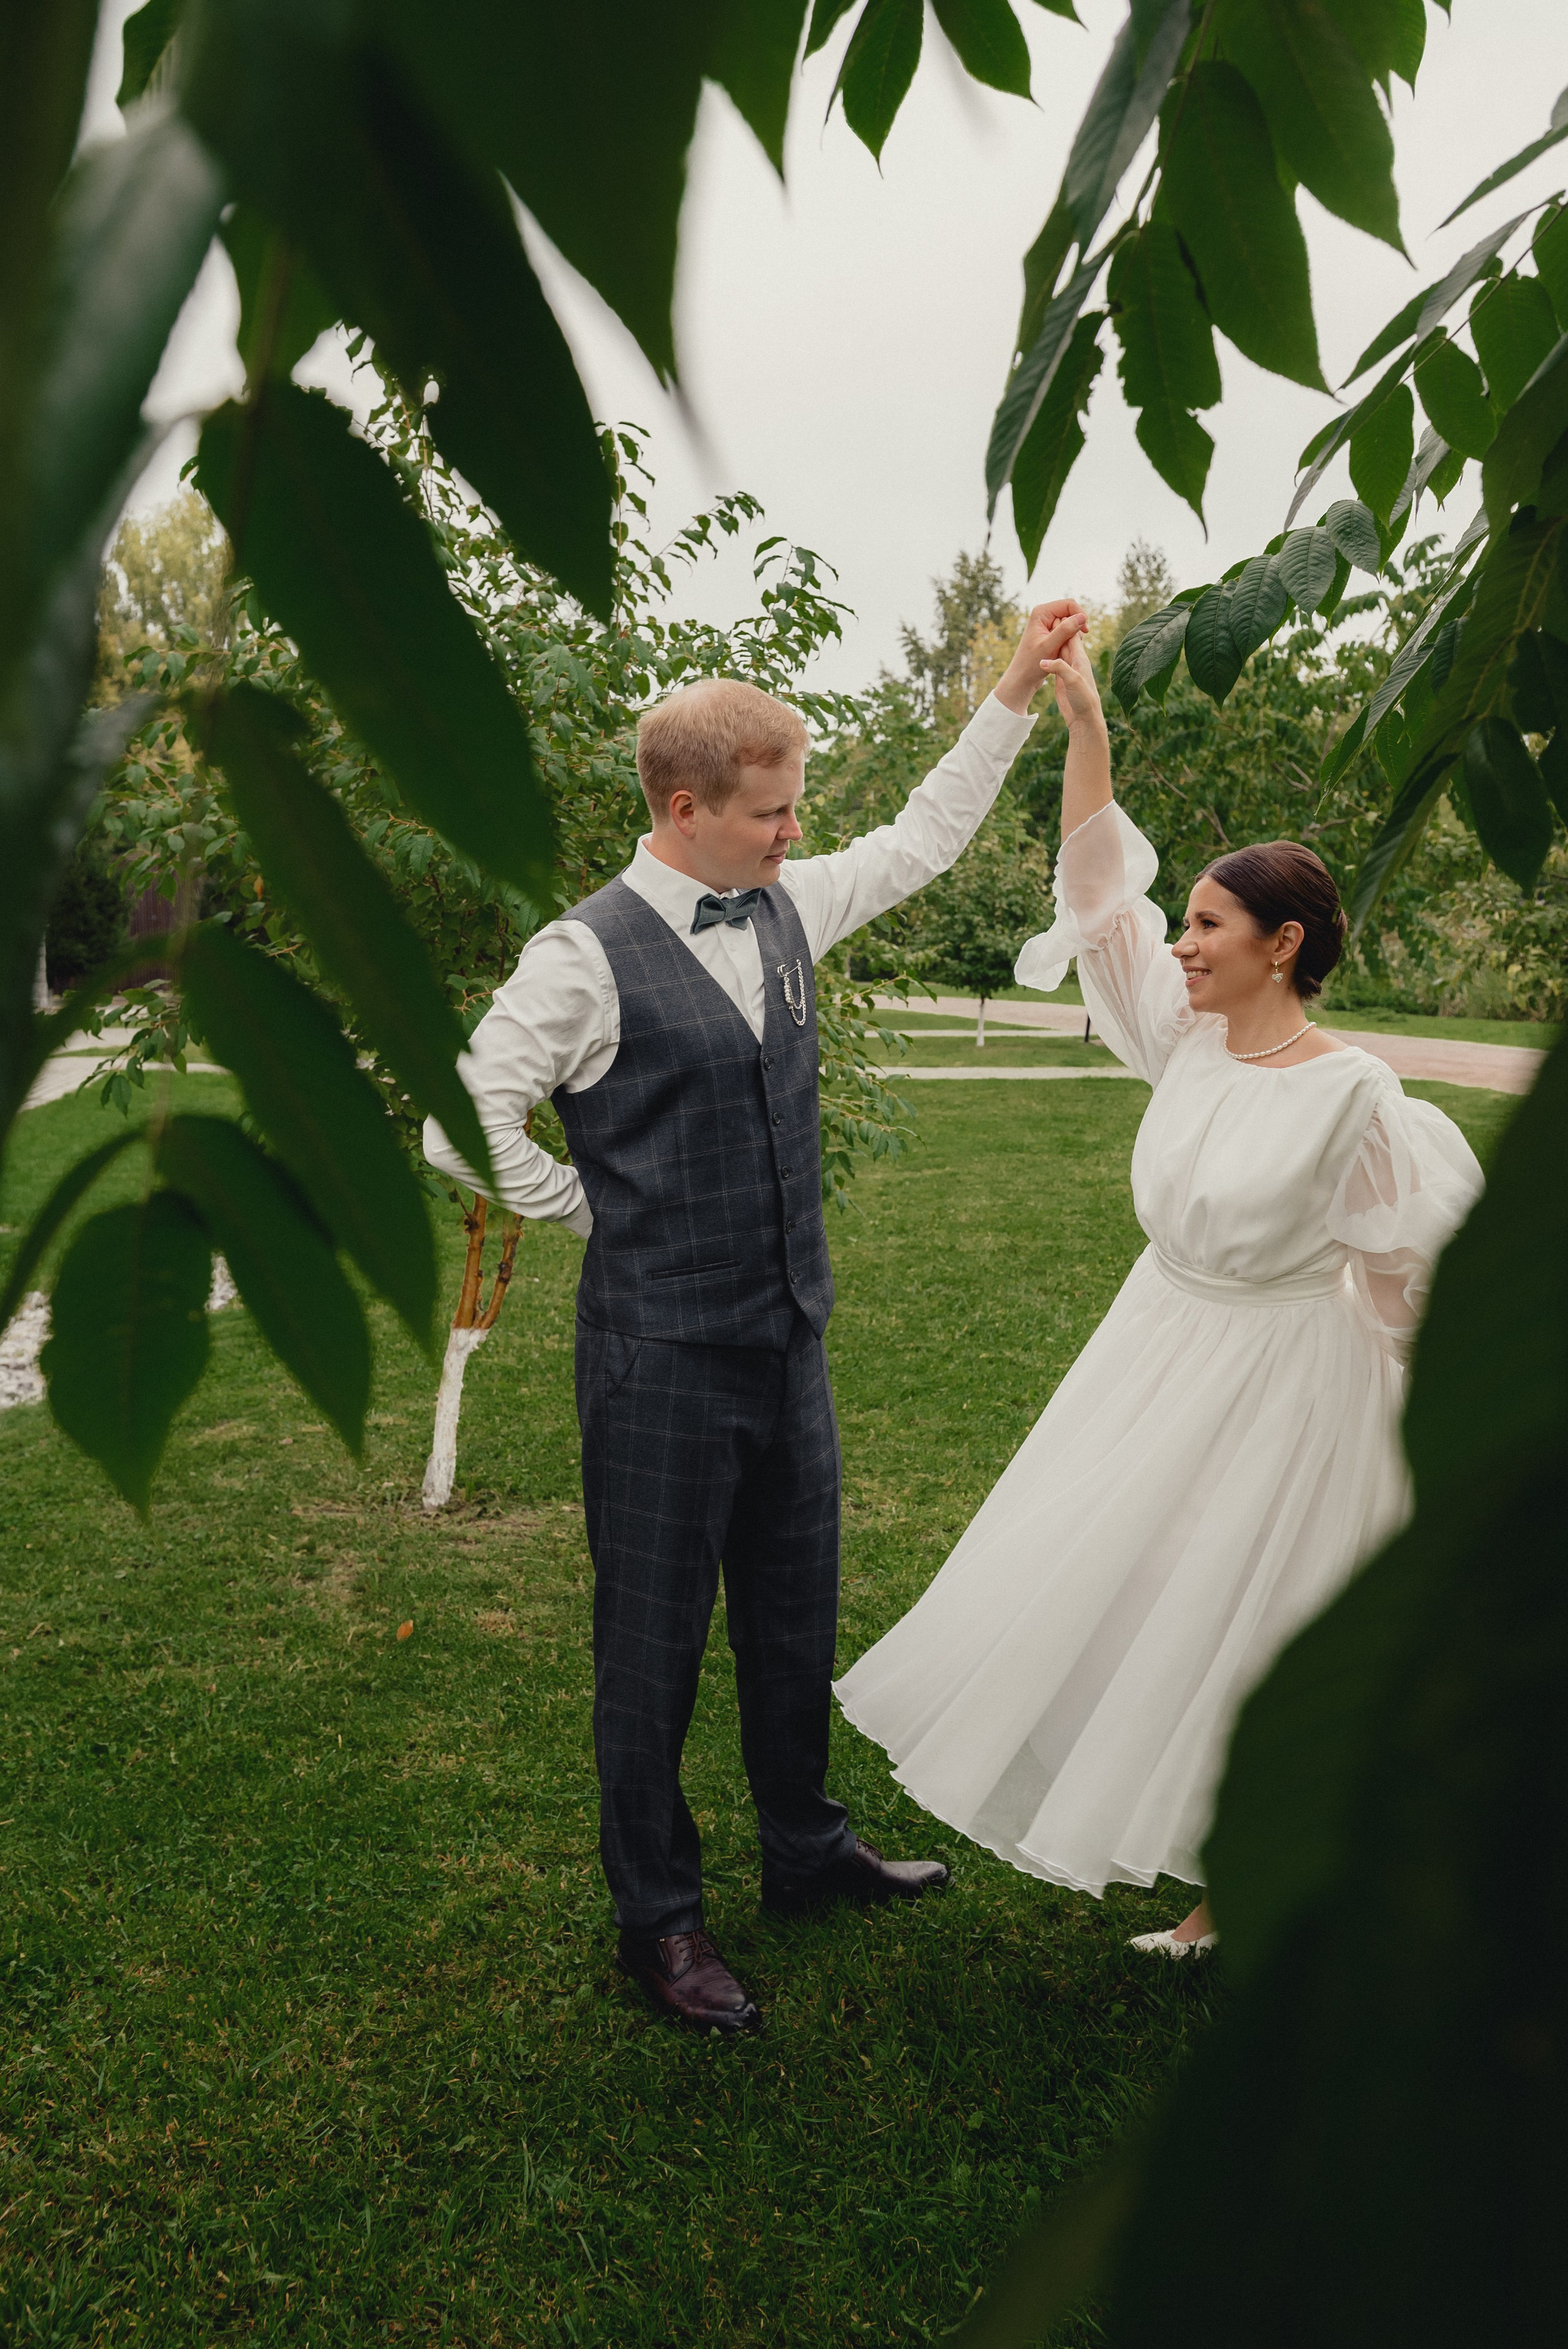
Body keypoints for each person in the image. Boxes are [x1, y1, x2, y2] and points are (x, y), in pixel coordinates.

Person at [423, 604, 1077, 2029]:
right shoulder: (580, 958)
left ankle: (803, 1847)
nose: (794, 833)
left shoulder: (789, 903)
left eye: (795, 812)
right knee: (647, 1650)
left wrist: (1013, 692)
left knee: (793, 1617)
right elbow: (455, 1121)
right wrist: (596, 1208)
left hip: (786, 1343)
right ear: (685, 808)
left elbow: (922, 840)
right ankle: (655, 1924)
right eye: (773, 812)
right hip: (656, 1361)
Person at [833, 613, 1484, 1956]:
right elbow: (1092, 898)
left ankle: (1233, 1890)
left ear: (1282, 943)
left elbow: (1405, 1271)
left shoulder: (1357, 1096)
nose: (1177, 943)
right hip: (1151, 1359)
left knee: (1248, 1621)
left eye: (1207, 922)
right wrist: (1081, 726)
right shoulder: (1179, 1042)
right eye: (1182, 919)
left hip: (1287, 1388)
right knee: (1126, 1594)